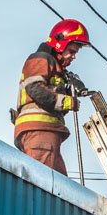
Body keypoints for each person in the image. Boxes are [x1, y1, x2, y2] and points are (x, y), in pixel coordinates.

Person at [13, 19, 90, 176]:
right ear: (60, 43)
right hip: (39, 131)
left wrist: (68, 93)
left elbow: (52, 104)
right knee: (44, 183)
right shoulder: (41, 58)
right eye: (72, 51)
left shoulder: (55, 68)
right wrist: (68, 101)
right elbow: (35, 89)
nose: (73, 56)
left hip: (46, 133)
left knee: (61, 186)